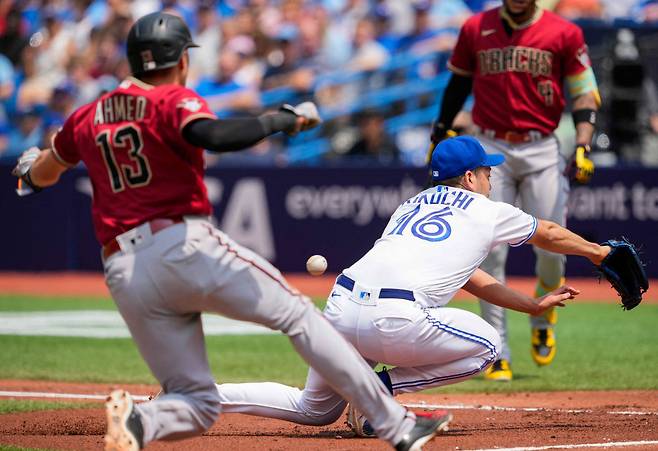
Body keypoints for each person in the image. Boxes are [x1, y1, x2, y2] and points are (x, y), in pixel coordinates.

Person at [11, 12, 449, 451]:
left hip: (124, 271)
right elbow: (212, 134)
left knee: (197, 403)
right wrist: (279, 120)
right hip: (181, 245)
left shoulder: (87, 115)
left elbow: (44, 173)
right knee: (300, 317)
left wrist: (30, 172)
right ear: (182, 59)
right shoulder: (171, 99)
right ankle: (397, 426)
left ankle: (141, 419)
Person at [214, 136, 611, 438]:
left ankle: (201, 395)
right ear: (470, 177)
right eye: (487, 171)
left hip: (339, 308)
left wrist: (530, 305)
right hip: (393, 320)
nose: (493, 176)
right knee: (490, 346)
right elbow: (550, 231)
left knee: (313, 409)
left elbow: (471, 276)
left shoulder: (413, 203)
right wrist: (598, 253)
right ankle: (378, 391)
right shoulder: (487, 211)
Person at [430, 0, 601, 380]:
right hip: (492, 146)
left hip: (542, 144)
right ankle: (498, 351)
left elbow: (584, 92)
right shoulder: (476, 27)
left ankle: (544, 318)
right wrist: (441, 129)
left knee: (552, 250)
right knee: (486, 249)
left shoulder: (564, 31)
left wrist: (583, 144)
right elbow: (458, 82)